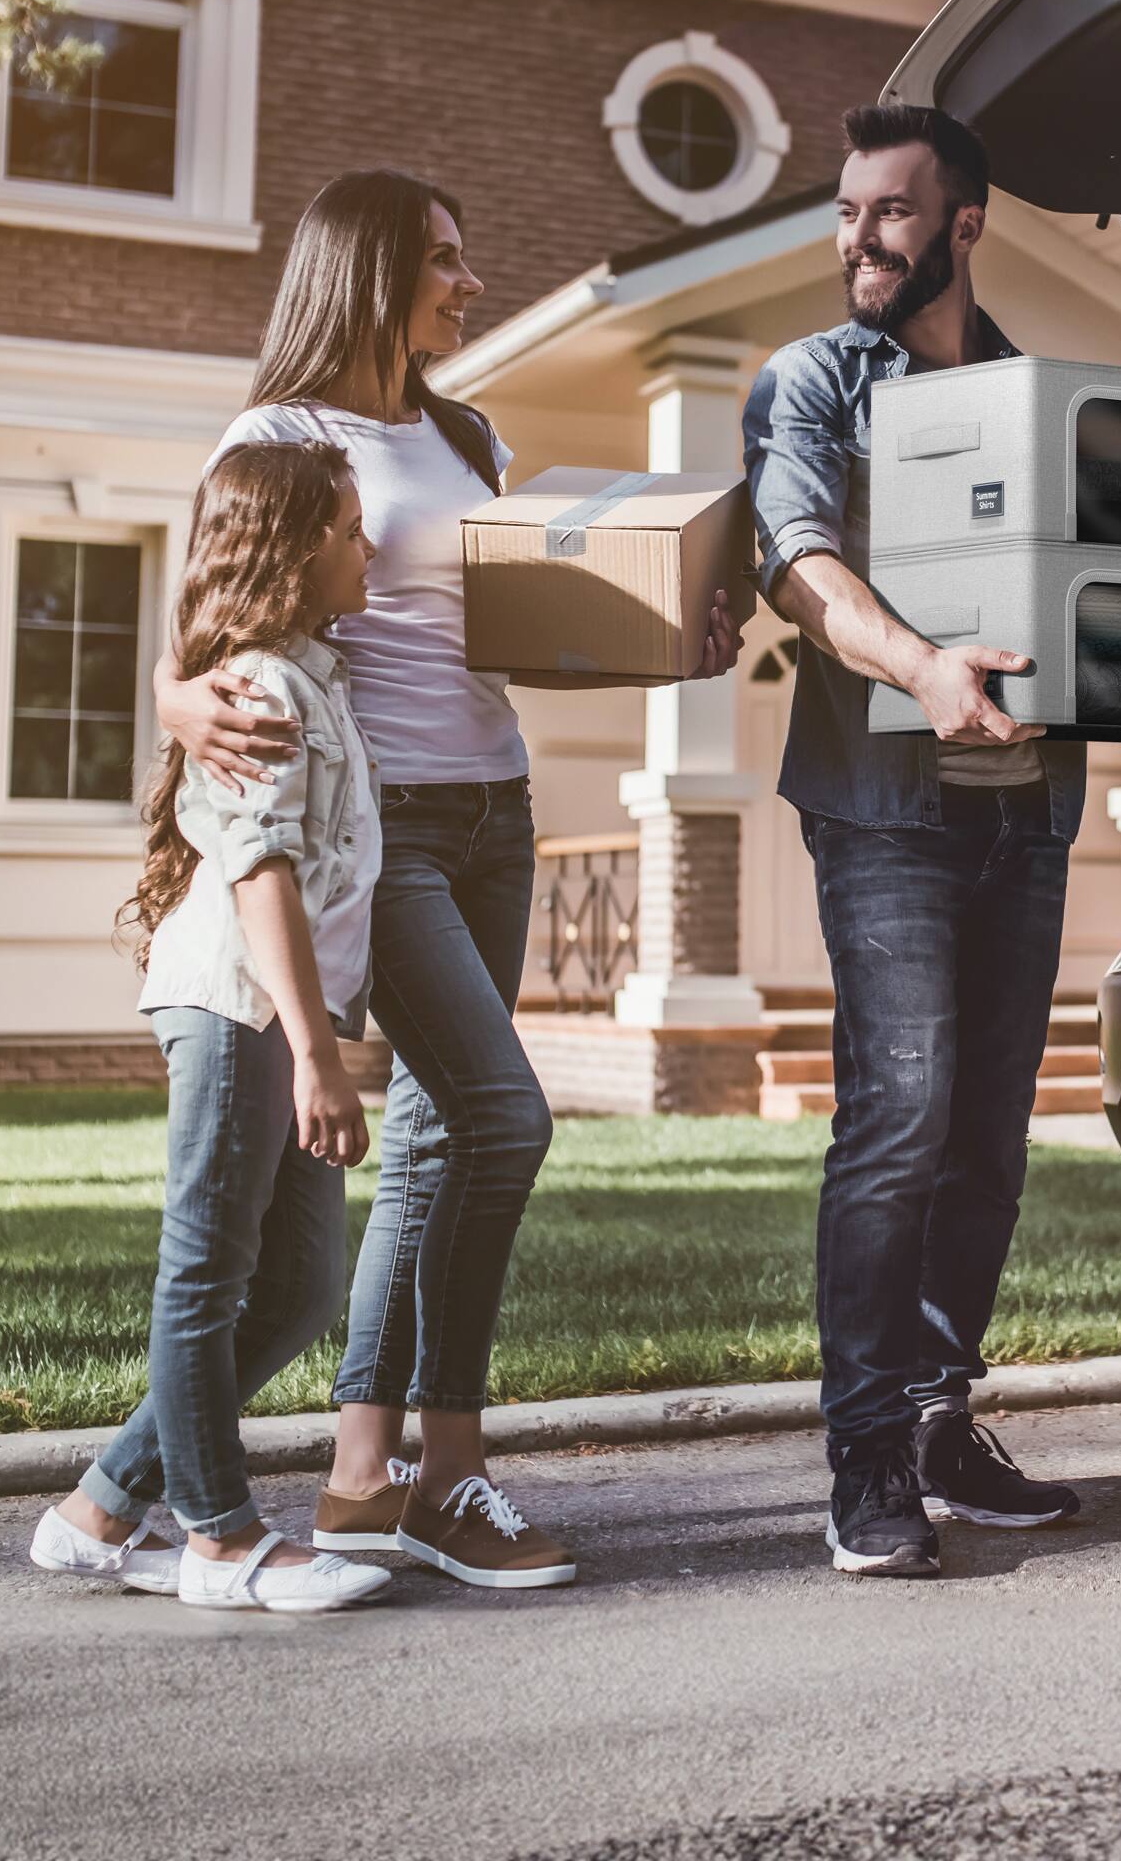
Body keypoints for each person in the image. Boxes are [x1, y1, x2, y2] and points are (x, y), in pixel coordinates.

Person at [744, 103, 1121, 1579]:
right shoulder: (813, 382)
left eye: (889, 211)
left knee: (989, 1141)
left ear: (965, 224)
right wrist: (926, 664)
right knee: (901, 1119)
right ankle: (865, 1457)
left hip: (1027, 817)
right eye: (848, 211)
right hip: (886, 818)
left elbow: (1119, 596)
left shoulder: (1036, 401)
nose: (859, 239)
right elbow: (804, 564)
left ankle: (942, 1420)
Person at [157, 170, 740, 1591]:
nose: (469, 285)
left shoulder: (464, 431)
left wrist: (670, 642)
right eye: (446, 261)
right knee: (503, 1118)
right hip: (387, 827)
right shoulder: (280, 433)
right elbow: (211, 621)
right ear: (369, 270)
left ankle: (364, 1476)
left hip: (497, 807)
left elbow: (493, 634)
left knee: (433, 1138)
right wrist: (176, 711)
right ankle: (450, 1472)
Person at [30, 441, 394, 1613]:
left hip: (278, 1011)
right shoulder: (259, 690)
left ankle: (97, 1511)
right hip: (239, 1005)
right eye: (350, 528)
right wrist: (315, 1051)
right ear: (295, 550)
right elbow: (260, 877)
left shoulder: (314, 673)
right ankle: (221, 1538)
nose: (369, 546)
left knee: (295, 1291)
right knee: (208, 1273)